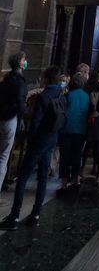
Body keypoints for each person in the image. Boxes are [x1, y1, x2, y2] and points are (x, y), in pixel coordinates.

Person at [1, 65, 66, 230]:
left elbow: (36, 122)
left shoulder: (44, 96)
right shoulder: (61, 95)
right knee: (43, 177)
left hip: (40, 140)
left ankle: (14, 215)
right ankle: (35, 214)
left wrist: (30, 138)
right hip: (52, 139)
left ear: (46, 78)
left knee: (23, 177)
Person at [0, 52, 28, 195]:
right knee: (3, 157)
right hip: (10, 119)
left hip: (1, 116)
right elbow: (20, 103)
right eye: (24, 60)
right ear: (21, 63)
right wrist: (23, 113)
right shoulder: (19, 81)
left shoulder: (6, 79)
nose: (26, 62)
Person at [58, 72, 89, 193]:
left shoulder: (68, 95)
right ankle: (76, 180)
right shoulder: (86, 96)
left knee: (65, 157)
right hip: (81, 130)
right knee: (77, 155)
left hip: (66, 130)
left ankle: (64, 183)